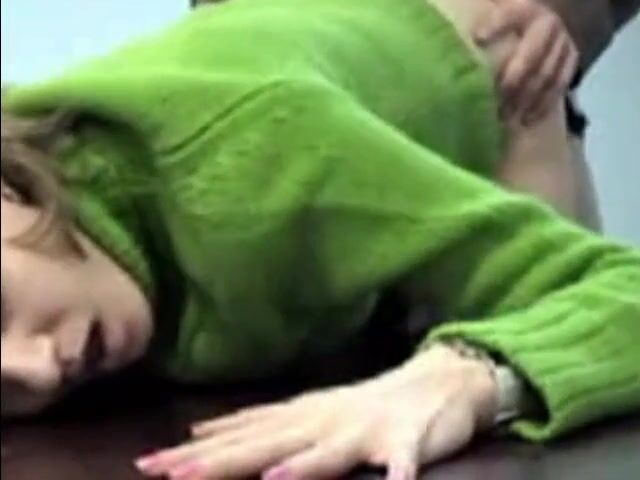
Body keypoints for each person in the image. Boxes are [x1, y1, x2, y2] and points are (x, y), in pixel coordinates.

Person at [1, 1, 638, 479]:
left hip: (498, 87)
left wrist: (466, 375)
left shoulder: (262, 159)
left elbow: (621, 294)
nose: (36, 370)